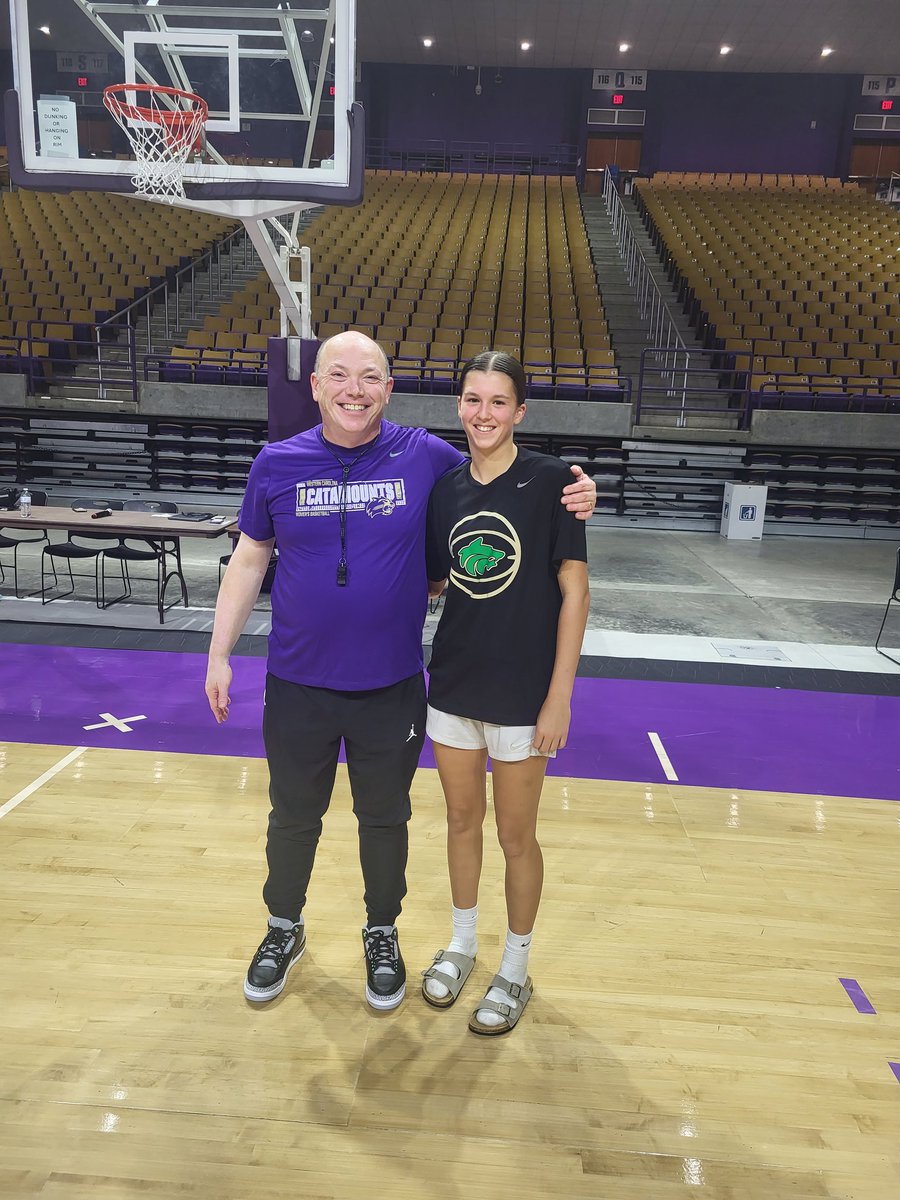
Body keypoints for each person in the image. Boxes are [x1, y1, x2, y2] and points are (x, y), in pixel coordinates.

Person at [204, 331, 596, 1011]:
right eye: (339, 375)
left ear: (389, 390)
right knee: (292, 816)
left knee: (385, 819)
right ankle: (283, 927)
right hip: (298, 680)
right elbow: (249, 557)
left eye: (369, 378)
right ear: (315, 386)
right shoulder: (276, 462)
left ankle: (382, 933)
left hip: (392, 684)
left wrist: (579, 489)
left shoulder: (425, 456)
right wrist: (219, 652)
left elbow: (500, 471)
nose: (354, 390)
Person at [421, 351, 590, 1035]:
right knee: (461, 822)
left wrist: (559, 697)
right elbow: (438, 581)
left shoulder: (555, 482)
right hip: (453, 684)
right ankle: (463, 944)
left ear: (520, 411)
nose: (483, 413)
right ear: (459, 405)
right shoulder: (445, 490)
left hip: (524, 695)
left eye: (498, 401)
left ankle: (515, 966)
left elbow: (575, 592)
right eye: (473, 399)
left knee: (517, 836)